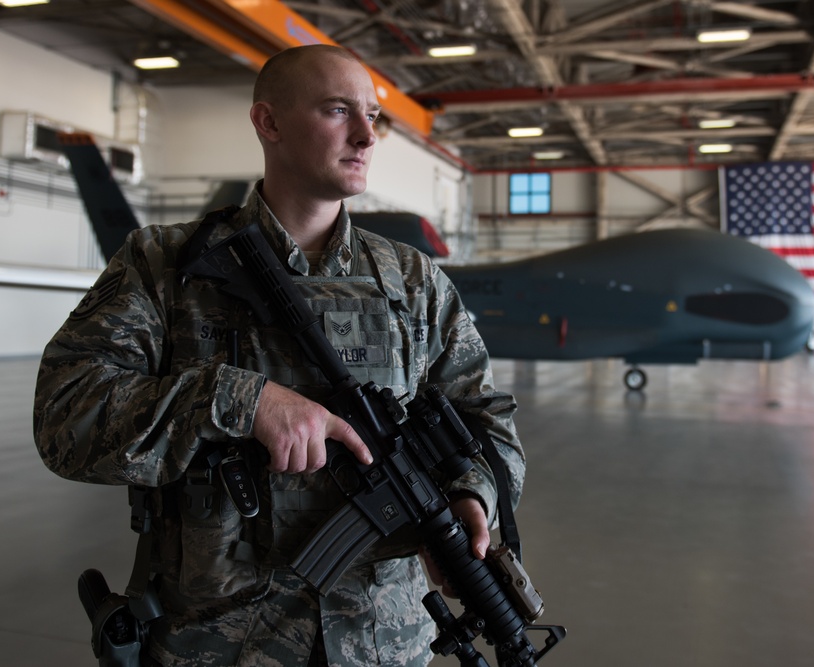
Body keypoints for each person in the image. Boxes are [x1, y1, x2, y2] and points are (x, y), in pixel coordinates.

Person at [33, 44, 525, 666]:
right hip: (216, 641)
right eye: (337, 110)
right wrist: (239, 400)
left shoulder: (413, 282)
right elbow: (64, 418)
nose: (366, 135)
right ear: (268, 123)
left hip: (383, 644)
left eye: (373, 115)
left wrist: (472, 495)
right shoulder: (165, 264)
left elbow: (485, 416)